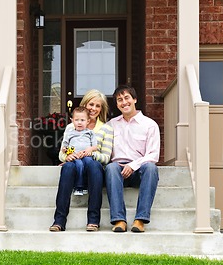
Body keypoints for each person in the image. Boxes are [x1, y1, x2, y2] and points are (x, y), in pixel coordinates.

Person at [49, 89, 114, 232]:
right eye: (91, 104)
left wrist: (90, 153)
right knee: (67, 167)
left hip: (93, 171)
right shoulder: (72, 127)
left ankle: (93, 220)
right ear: (85, 104)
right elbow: (64, 151)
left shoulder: (106, 129)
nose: (94, 109)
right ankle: (59, 221)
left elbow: (106, 157)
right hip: (75, 167)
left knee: (93, 164)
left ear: (101, 109)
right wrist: (68, 156)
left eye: (98, 106)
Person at [105, 85, 160, 233]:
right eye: (119, 100)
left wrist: (133, 165)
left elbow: (153, 155)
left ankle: (140, 220)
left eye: (127, 98)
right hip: (117, 172)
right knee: (111, 167)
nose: (124, 102)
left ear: (135, 99)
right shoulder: (110, 125)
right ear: (117, 104)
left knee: (151, 167)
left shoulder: (149, 125)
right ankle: (119, 220)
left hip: (138, 171)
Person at [60, 106, 98, 196]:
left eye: (82, 120)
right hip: (75, 156)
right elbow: (64, 147)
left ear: (88, 121)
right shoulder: (70, 133)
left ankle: (88, 185)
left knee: (90, 164)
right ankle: (79, 187)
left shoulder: (90, 133)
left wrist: (90, 149)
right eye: (76, 120)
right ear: (72, 120)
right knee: (79, 165)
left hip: (86, 155)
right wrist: (68, 152)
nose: (79, 122)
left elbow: (95, 146)